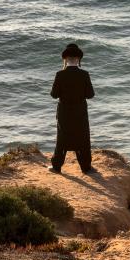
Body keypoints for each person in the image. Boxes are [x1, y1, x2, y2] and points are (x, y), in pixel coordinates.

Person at [49, 43, 96, 174]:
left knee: (62, 138)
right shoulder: (84, 75)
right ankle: (86, 168)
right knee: (83, 138)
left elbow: (54, 95)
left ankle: (57, 167)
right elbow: (90, 95)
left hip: (64, 112)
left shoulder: (60, 74)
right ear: (78, 60)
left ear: (65, 59)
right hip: (80, 112)